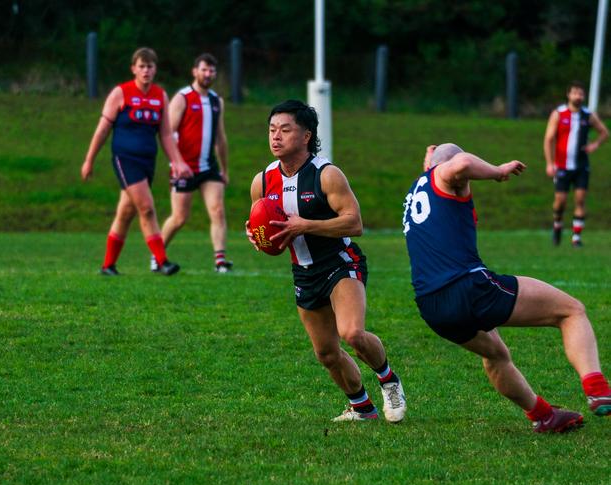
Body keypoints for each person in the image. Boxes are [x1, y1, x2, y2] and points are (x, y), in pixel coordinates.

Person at [403, 142, 611, 433]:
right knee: (571, 311)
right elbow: (460, 163)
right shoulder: (449, 174)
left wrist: (431, 163)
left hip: (432, 306)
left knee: (495, 355)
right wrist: (498, 171)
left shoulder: (416, 192)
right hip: (468, 287)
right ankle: (597, 387)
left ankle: (543, 415)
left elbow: (440, 169)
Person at [245, 100, 406, 422]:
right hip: (304, 271)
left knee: (353, 333)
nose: (275, 137)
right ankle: (362, 408)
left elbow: (354, 223)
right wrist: (255, 234)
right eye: (272, 130)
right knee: (326, 353)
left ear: (306, 136)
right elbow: (258, 221)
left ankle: (389, 380)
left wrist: (306, 225)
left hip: (340, 262)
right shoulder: (262, 181)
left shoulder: (326, 175)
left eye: (285, 130)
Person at [81, 47, 192, 276]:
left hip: (147, 162)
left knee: (125, 213)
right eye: (141, 66)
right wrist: (89, 160)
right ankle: (162, 261)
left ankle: (108, 266)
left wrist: (178, 162)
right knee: (147, 208)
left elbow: (165, 135)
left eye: (150, 66)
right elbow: (103, 130)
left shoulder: (160, 96)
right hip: (125, 159)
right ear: (133, 68)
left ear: (155, 69)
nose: (146, 71)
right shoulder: (121, 93)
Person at [155, 53, 232, 273]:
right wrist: (177, 163)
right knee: (179, 218)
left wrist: (224, 169)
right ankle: (157, 255)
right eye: (204, 70)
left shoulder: (217, 101)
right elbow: (167, 134)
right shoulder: (182, 98)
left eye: (212, 71)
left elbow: (220, 137)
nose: (208, 74)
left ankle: (220, 261)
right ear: (194, 71)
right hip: (184, 168)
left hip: (209, 167)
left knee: (217, 210)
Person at [543, 81, 609, 247]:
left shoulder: (588, 115)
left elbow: (604, 132)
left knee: (580, 200)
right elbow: (549, 139)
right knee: (560, 201)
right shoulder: (559, 114)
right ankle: (557, 224)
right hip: (562, 165)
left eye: (581, 94)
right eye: (575, 93)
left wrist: (595, 145)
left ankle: (576, 238)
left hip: (581, 166)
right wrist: (550, 163)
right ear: (569, 94)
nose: (578, 96)